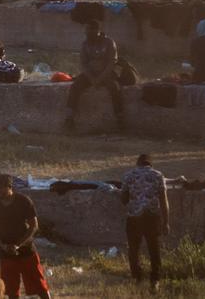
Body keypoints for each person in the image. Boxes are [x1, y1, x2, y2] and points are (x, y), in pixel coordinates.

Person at [0, 173, 51, 299]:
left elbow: (34, 226)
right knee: (11, 290)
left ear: (10, 186)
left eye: (2, 188)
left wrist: (19, 244)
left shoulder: (23, 201)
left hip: (27, 250)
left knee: (40, 286)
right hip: (6, 252)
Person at [121, 154, 170, 292]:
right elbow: (164, 201)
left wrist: (132, 195)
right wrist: (166, 222)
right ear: (150, 164)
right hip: (152, 217)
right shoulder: (158, 175)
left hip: (134, 218)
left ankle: (137, 278)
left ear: (138, 163)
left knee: (134, 249)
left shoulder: (128, 175)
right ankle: (155, 280)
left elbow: (124, 200)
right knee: (154, 250)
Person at [65, 20, 123, 129]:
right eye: (86, 30)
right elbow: (83, 64)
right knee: (75, 87)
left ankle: (120, 118)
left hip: (106, 73)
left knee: (114, 88)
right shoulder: (85, 44)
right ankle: (69, 119)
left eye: (89, 30)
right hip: (90, 75)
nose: (86, 33)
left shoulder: (109, 42)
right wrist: (92, 78)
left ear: (97, 30)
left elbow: (112, 62)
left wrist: (100, 78)